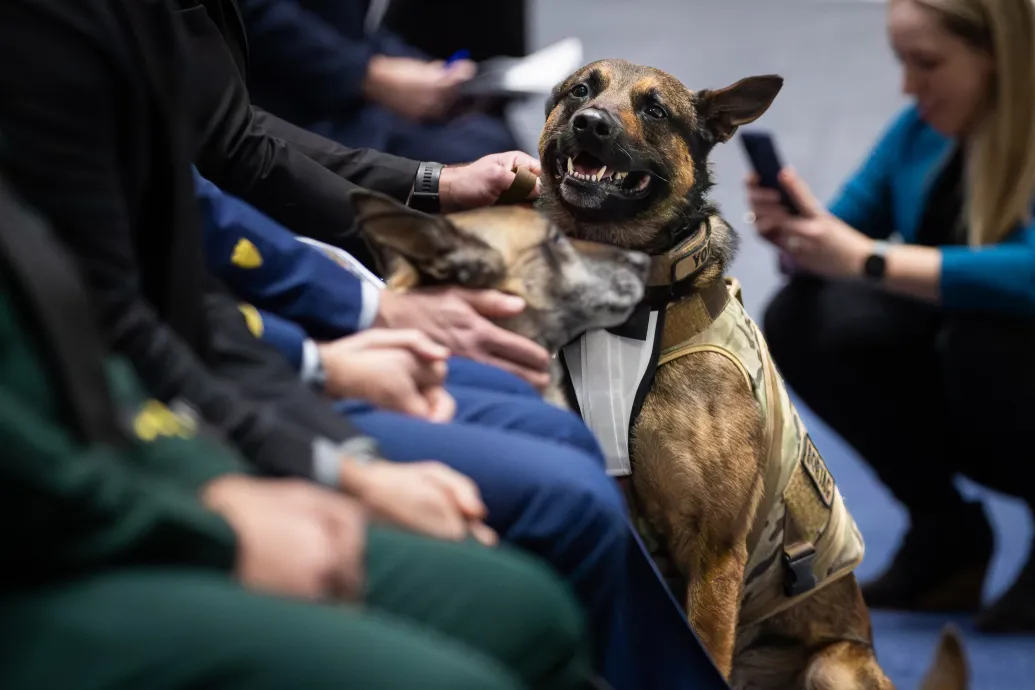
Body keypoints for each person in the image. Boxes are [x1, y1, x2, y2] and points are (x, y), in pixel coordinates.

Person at [0, 169, 596, 690]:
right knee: (557, 507)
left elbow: (85, 330)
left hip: (143, 445)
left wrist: (227, 474)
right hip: (56, 545)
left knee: (531, 586)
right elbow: (125, 313)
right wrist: (300, 477)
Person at [744, 0, 1035, 633]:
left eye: (927, 62)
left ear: (998, 58)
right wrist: (803, 236)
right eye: (902, 61)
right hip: (973, 388)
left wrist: (871, 261)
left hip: (1002, 368)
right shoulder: (919, 130)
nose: (909, 84)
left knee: (987, 336)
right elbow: (848, 234)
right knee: (806, 314)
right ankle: (945, 534)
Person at [235, 0, 521, 163]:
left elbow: (353, 29)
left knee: (490, 137)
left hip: (349, 93)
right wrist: (368, 76)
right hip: (285, 113)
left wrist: (427, 71)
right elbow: (257, 16)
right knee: (473, 157)